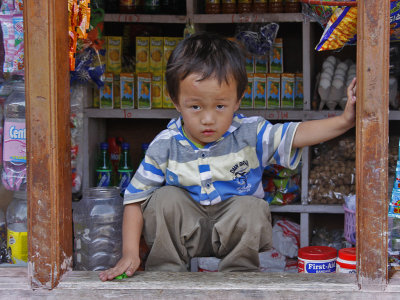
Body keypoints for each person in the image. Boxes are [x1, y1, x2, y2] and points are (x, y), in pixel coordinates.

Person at [99, 32, 357, 281]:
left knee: (251, 207)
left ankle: (240, 277)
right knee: (163, 198)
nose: (208, 119)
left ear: (237, 101)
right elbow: (134, 199)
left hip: (234, 228)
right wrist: (130, 253)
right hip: (187, 230)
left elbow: (297, 133)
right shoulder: (165, 144)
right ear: (176, 101)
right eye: (195, 106)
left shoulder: (250, 132)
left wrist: (345, 120)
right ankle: (167, 275)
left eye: (220, 106)